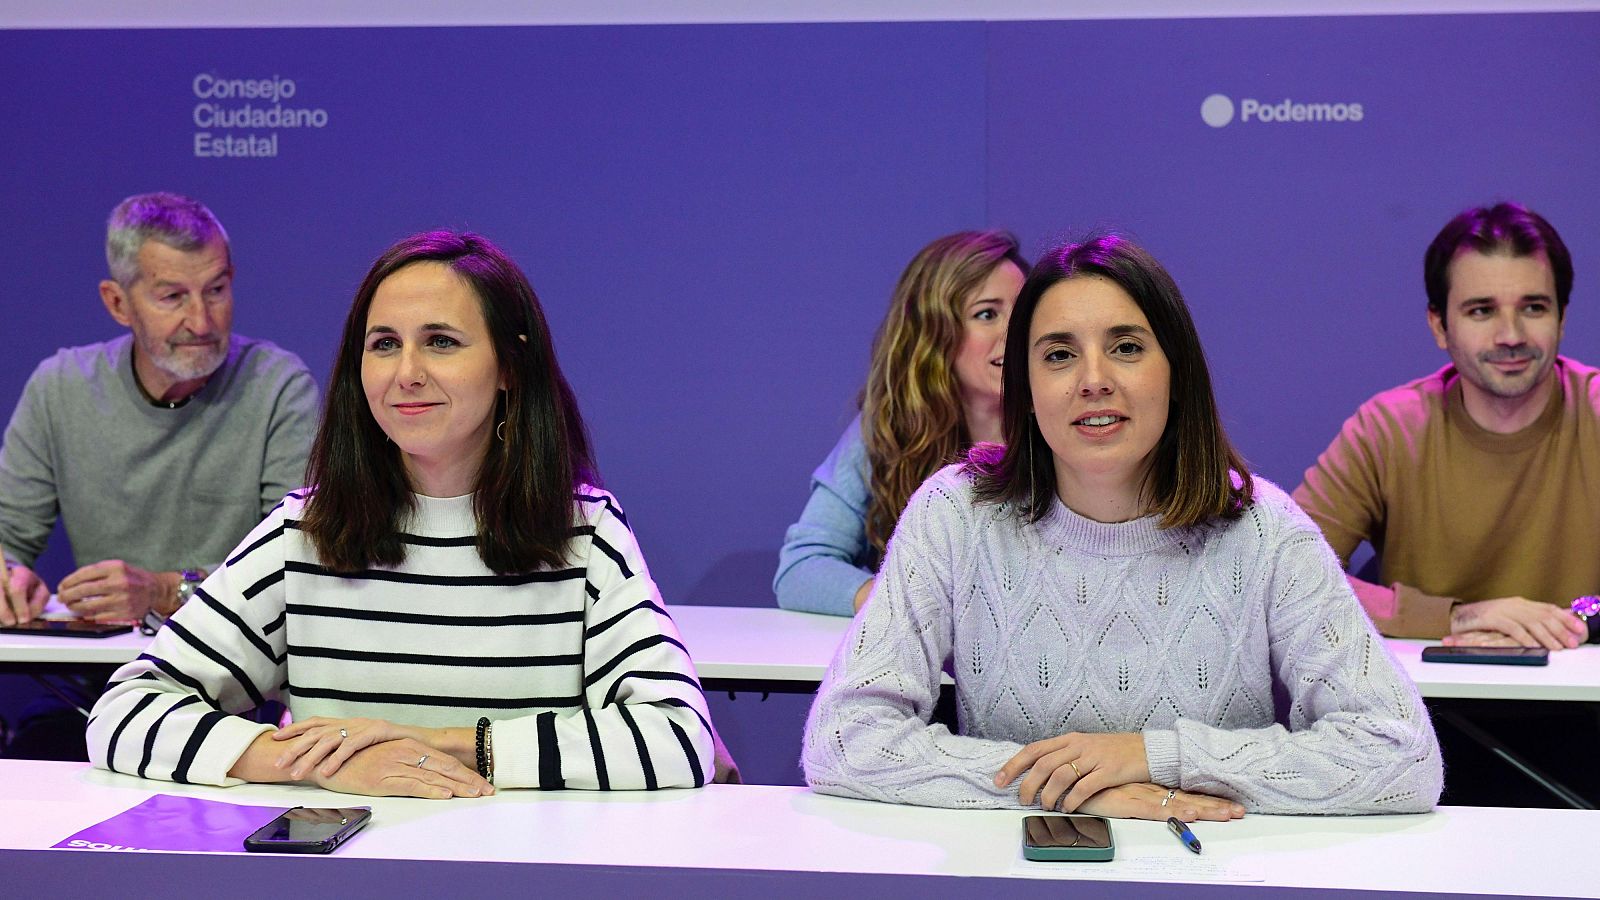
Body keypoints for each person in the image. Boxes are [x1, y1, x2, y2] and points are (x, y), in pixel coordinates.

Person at [802, 235, 1442, 817]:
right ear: (1024, 385)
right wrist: (1077, 789)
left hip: (1215, 878)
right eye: (1058, 355)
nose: (1094, 381)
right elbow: (844, 740)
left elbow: (1402, 756)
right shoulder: (957, 513)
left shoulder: (1264, 528)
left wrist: (1154, 757)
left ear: (1177, 370)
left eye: (1127, 348)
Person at [87, 231, 714, 795]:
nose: (406, 373)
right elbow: (124, 711)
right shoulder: (301, 533)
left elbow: (680, 741)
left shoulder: (586, 534)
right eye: (384, 344)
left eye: (440, 342)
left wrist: (443, 746)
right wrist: (319, 762)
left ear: (510, 366)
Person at [0, 192, 319, 627]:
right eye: (172, 297)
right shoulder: (60, 387)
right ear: (118, 303)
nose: (202, 322)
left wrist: (165, 591)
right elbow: (7, 535)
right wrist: (10, 578)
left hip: (240, 678)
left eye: (216, 290)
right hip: (94, 678)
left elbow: (295, 562)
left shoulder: (278, 387)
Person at [1293, 202, 1594, 649]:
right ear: (1439, 326)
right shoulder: (1388, 429)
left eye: (1533, 308)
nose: (1510, 335)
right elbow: (1284, 576)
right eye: (1481, 311)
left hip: (1586, 703)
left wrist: (1580, 622)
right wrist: (1453, 618)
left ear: (1562, 319)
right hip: (1427, 709)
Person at [775, 231, 1028, 615]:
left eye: (1025, 312)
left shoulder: (1065, 423)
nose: (1017, 332)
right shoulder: (887, 430)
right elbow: (801, 568)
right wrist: (904, 604)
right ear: (935, 333)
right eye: (987, 314)